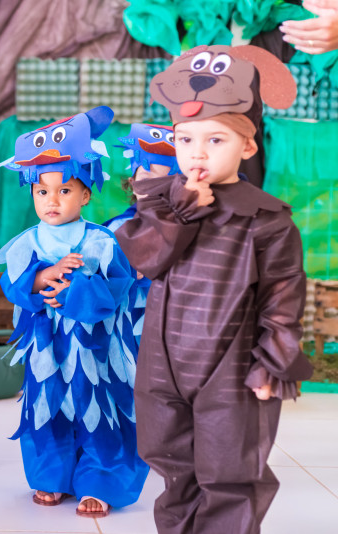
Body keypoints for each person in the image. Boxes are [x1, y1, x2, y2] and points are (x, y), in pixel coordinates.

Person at [117, 44, 314, 534]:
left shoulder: (266, 220)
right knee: (173, 466)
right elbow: (144, 260)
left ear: (247, 146)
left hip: (231, 368)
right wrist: (181, 210)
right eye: (185, 140)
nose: (197, 154)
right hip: (164, 366)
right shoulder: (164, 205)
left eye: (215, 141)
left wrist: (273, 360)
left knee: (231, 472)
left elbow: (283, 296)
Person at [0, 107, 148, 517]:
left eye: (64, 191)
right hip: (47, 345)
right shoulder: (26, 242)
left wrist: (76, 284)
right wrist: (43, 275)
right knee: (48, 406)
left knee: (99, 407)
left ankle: (100, 479)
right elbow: (14, 286)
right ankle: (52, 476)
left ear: (85, 194)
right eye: (42, 192)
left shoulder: (101, 241)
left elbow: (116, 289)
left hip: (94, 347)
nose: (52, 200)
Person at [103, 123, 178, 345]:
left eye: (165, 183)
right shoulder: (115, 231)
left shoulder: (194, 231)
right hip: (124, 332)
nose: (154, 190)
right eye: (146, 180)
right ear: (133, 185)